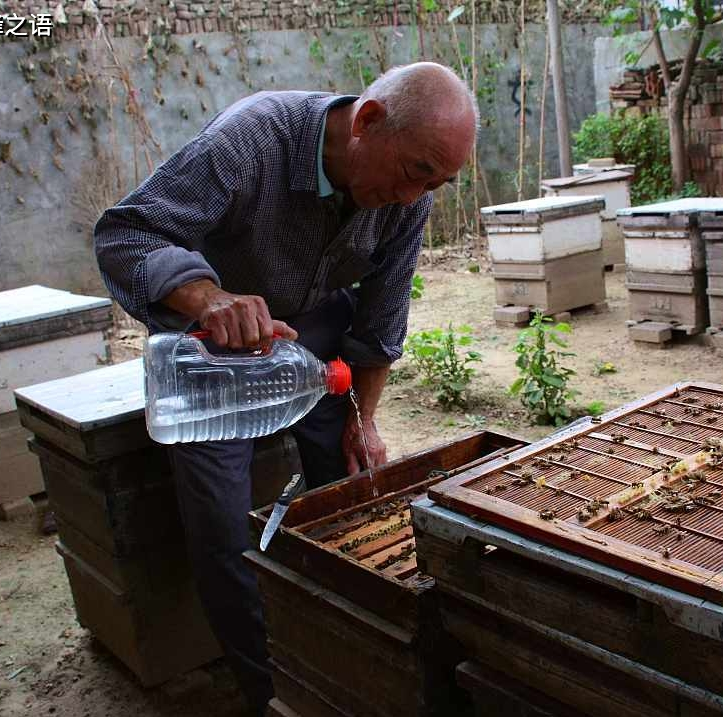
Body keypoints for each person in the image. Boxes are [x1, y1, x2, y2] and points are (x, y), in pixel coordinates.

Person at [93, 62, 478, 714]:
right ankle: (277, 693)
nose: (419, 196)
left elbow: (381, 319)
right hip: (219, 349)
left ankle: (354, 654)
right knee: (224, 531)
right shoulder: (251, 142)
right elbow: (127, 233)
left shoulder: (412, 196)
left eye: (439, 182)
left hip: (318, 335)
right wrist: (208, 296)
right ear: (368, 122)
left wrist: (365, 419)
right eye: (417, 173)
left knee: (350, 493)